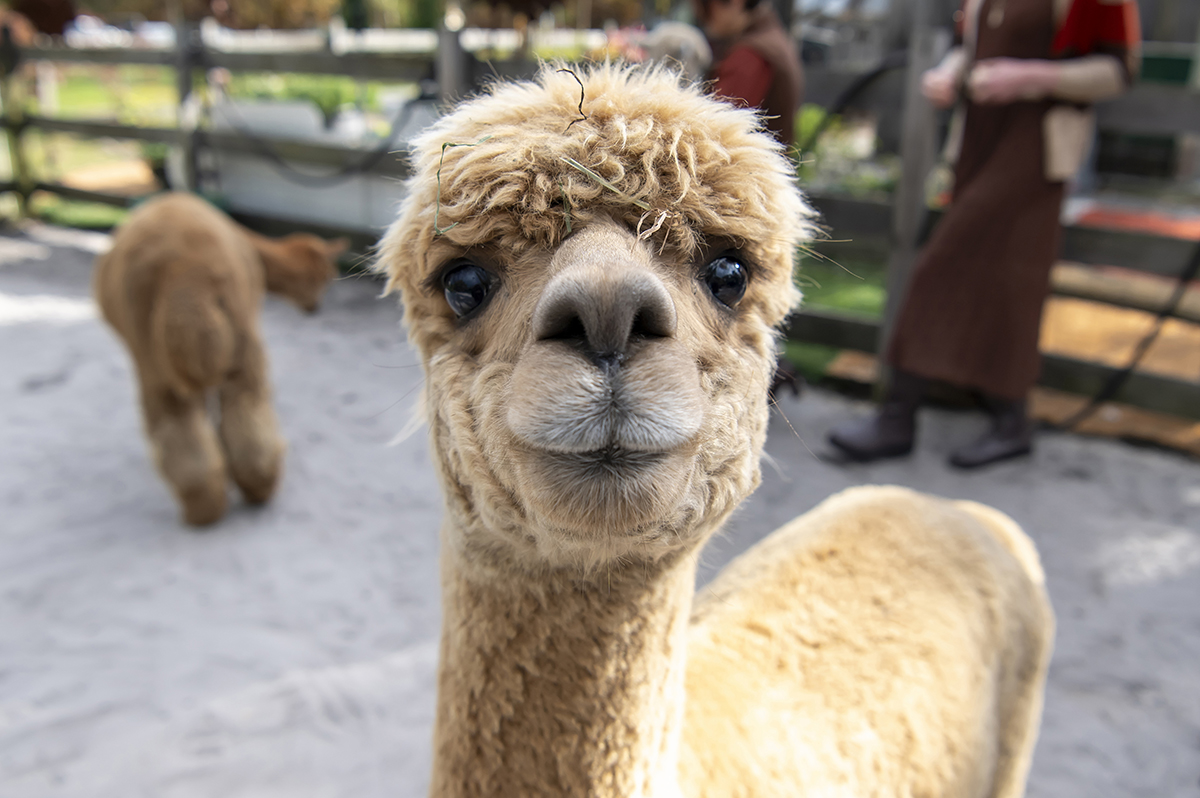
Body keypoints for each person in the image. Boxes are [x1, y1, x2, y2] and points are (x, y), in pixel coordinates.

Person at [828, 0, 1141, 469]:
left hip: (1035, 150)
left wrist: (1032, 77)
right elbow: (967, 46)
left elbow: (1118, 71)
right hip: (978, 142)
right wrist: (949, 73)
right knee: (1004, 282)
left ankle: (900, 416)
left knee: (951, 269)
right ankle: (1008, 419)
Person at [691, 0, 804, 150]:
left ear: (735, 2)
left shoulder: (751, 55)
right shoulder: (772, 40)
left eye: (705, 5)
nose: (700, 14)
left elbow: (715, 132)